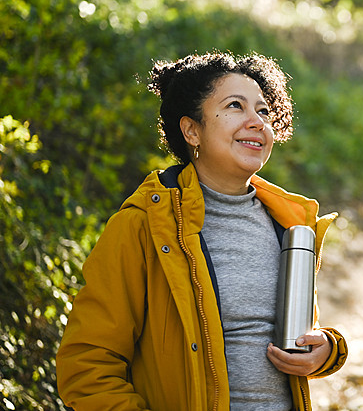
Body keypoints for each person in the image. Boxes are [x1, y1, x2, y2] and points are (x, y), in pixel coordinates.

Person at [56, 51, 347, 410]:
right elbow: (86, 364)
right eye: (235, 106)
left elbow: (299, 332)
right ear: (192, 130)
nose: (256, 121)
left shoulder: (289, 222)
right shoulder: (144, 225)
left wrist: (327, 350)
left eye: (264, 111)